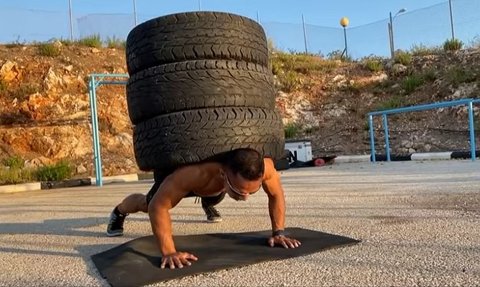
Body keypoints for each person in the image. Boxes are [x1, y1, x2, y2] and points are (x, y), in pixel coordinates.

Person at [107, 148, 301, 269]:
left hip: (216, 189)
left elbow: (276, 194)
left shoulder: (266, 168)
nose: (246, 198)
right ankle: (119, 211)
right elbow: (159, 207)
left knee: (215, 197)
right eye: (241, 192)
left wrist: (278, 232)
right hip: (193, 186)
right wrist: (169, 252)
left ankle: (209, 204)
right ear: (224, 174)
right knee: (146, 204)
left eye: (253, 190)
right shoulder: (193, 174)